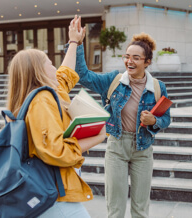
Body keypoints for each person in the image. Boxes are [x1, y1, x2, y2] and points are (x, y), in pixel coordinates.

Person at [6, 15, 106, 217]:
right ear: (39, 72)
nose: (55, 67)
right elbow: (56, 151)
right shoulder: (42, 100)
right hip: (54, 192)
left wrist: (74, 42)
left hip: (46, 189)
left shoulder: (39, 95)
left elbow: (65, 74)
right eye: (50, 63)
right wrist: (97, 137)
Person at [73, 32, 171, 217]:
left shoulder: (157, 87)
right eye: (126, 56)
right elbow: (82, 75)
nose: (129, 61)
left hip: (143, 150)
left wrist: (155, 121)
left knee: (140, 209)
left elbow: (166, 118)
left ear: (147, 62)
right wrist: (78, 44)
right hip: (117, 147)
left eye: (136, 58)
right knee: (115, 208)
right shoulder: (113, 80)